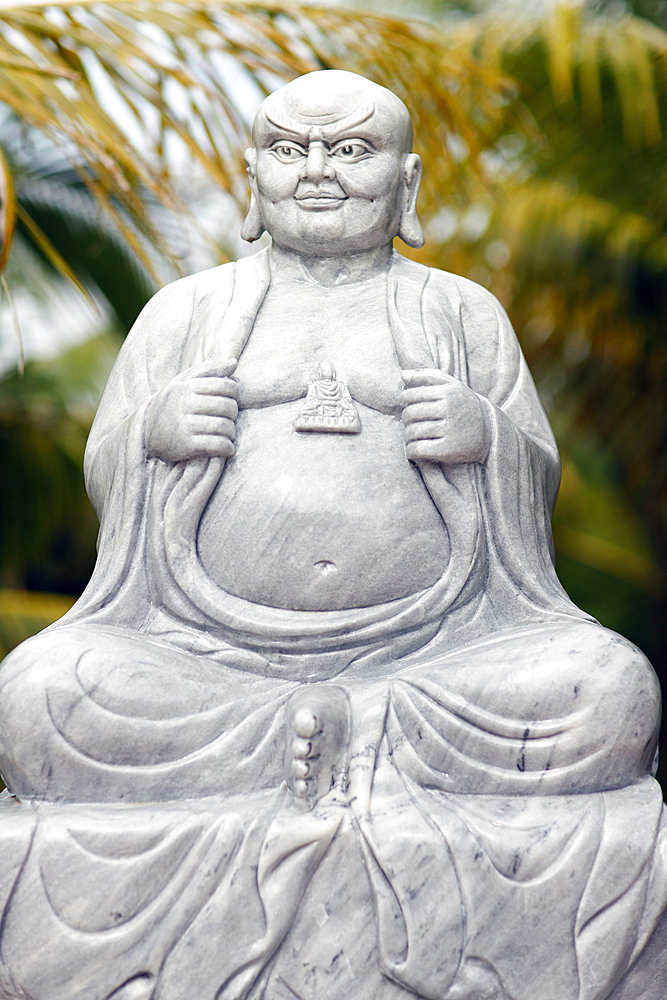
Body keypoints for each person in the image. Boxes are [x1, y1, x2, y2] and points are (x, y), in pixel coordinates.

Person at [0, 71, 664, 1000]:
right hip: (208, 657)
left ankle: (349, 734)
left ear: (408, 183)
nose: (316, 172)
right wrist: (152, 439)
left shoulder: (459, 313)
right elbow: (109, 470)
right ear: (250, 179)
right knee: (38, 692)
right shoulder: (185, 315)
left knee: (608, 690)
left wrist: (488, 439)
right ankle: (302, 736)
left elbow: (534, 483)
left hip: (435, 654)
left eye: (351, 152)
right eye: (289, 150)